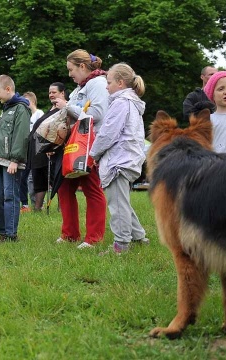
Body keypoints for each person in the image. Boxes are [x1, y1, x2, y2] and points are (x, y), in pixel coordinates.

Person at [51, 49, 108, 249]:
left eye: (71, 69)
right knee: (65, 187)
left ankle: (93, 238)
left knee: (92, 189)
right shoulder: (80, 87)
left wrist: (67, 106)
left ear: (82, 66)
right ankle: (70, 234)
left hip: (90, 145)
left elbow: (97, 114)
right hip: (75, 145)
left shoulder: (99, 84)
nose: (69, 74)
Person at [90, 63, 149, 254]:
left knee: (117, 205)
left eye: (109, 82)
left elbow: (108, 133)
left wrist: (94, 153)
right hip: (127, 158)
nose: (106, 87)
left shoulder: (121, 103)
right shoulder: (130, 102)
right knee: (122, 201)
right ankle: (139, 237)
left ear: (120, 83)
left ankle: (121, 245)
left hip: (118, 161)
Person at [0, 75, 31, 242]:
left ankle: (11, 234)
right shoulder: (7, 108)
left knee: (9, 196)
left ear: (8, 89)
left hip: (11, 162)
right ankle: (3, 232)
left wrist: (15, 159)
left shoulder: (21, 108)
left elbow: (21, 135)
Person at [28, 82, 67, 211]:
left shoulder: (66, 108)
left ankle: (62, 209)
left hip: (53, 150)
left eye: (54, 92)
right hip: (39, 151)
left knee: (57, 179)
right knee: (39, 179)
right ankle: (37, 208)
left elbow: (64, 129)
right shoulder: (50, 109)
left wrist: (53, 147)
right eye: (50, 92)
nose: (51, 95)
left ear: (62, 93)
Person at [19, 91, 44, 213]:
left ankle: (38, 204)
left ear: (33, 101)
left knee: (33, 177)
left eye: (26, 101)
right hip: (25, 148)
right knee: (22, 177)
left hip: (36, 148)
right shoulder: (24, 115)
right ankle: (24, 204)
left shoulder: (39, 113)